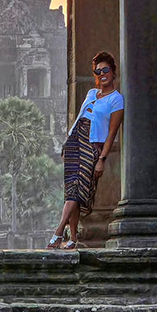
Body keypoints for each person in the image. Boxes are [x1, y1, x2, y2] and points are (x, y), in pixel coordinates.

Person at [46, 51, 124, 250]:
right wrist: (67, 143)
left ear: (113, 72)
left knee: (79, 188)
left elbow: (112, 133)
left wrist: (102, 158)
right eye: (98, 72)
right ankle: (72, 238)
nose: (101, 74)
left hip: (93, 144)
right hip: (75, 141)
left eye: (105, 70)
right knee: (72, 190)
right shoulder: (91, 93)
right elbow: (79, 118)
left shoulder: (116, 100)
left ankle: (58, 232)